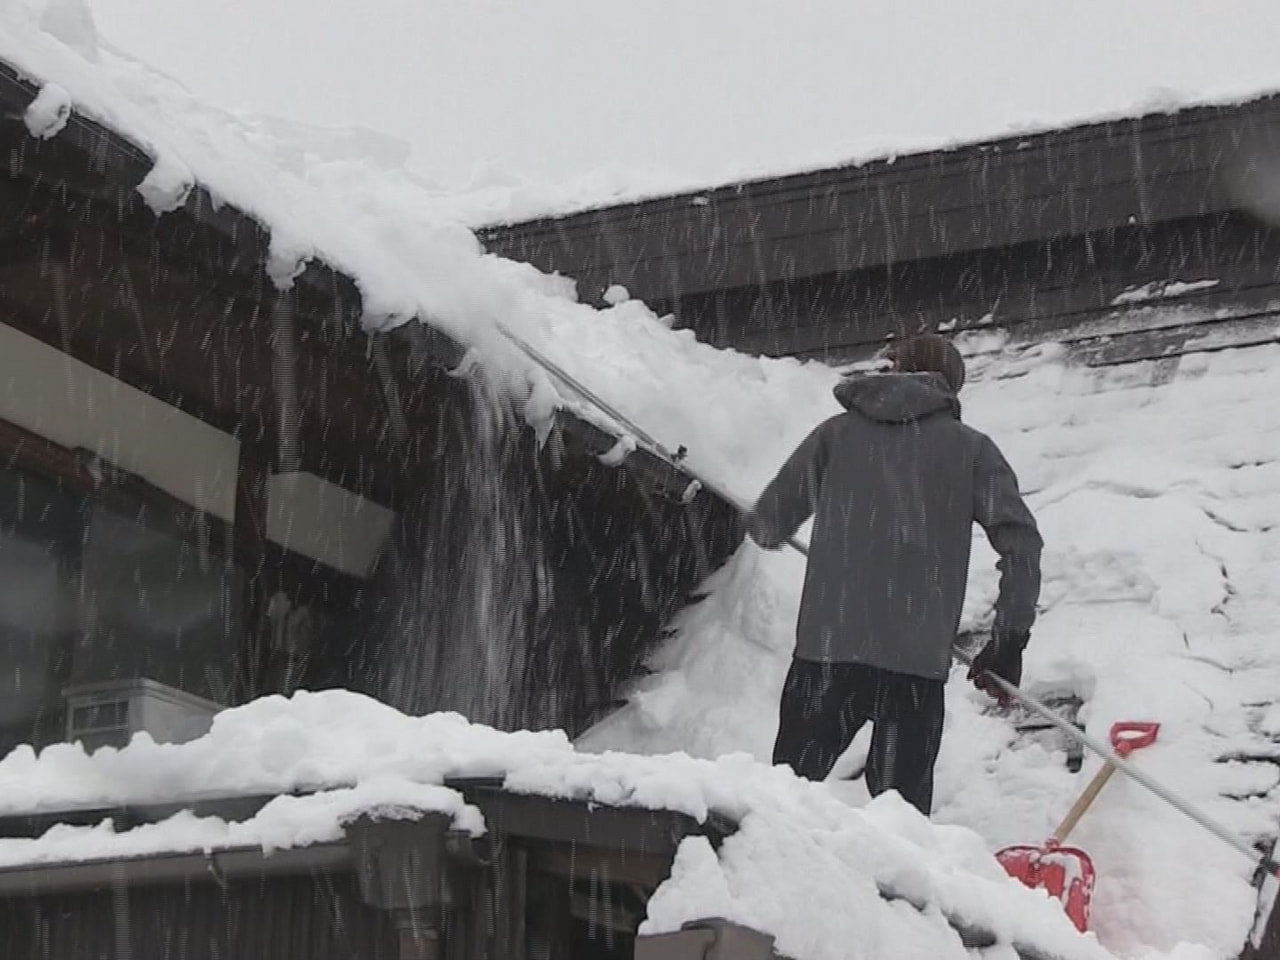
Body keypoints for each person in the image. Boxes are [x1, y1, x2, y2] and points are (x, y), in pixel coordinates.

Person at [745, 333, 1043, 816]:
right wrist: (1008, 641)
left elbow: (766, 526)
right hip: (913, 670)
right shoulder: (971, 451)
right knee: (902, 831)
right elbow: (1022, 545)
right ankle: (885, 893)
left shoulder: (835, 436)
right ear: (949, 389)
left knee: (780, 808)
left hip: (826, 655)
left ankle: (756, 885)